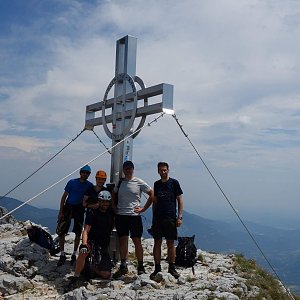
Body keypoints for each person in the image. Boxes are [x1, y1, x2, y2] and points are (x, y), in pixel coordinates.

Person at [112, 160, 154, 278]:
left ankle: (140, 266)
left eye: (130, 168)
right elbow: (114, 194)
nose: (128, 170)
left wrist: (144, 208)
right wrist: (114, 206)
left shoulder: (138, 182)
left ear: (133, 169)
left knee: (137, 241)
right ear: (124, 170)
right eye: (126, 168)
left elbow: (151, 193)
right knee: (123, 241)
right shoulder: (120, 182)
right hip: (121, 215)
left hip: (134, 216)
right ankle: (123, 265)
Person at [69, 190, 114, 288]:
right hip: (92, 242)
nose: (105, 204)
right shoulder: (93, 213)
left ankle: (91, 267)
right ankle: (76, 277)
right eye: (102, 201)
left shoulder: (111, 213)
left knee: (106, 275)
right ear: (99, 201)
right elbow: (85, 231)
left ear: (109, 203)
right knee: (83, 251)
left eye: (107, 202)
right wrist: (84, 243)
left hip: (103, 247)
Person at [150, 162, 183, 280]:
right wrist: (153, 218)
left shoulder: (174, 183)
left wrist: (179, 217)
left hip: (170, 217)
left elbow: (180, 200)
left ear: (168, 170)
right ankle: (157, 268)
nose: (163, 172)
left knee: (170, 243)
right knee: (157, 242)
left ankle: (172, 267)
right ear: (158, 171)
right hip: (158, 218)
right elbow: (155, 201)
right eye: (161, 170)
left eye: (165, 170)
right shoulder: (156, 184)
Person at [56, 165, 93, 266]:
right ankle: (62, 254)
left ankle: (74, 253)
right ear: (80, 173)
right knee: (62, 230)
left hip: (80, 208)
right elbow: (64, 197)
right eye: (83, 172)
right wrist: (61, 211)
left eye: (87, 173)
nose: (85, 174)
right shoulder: (72, 182)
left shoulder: (89, 185)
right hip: (69, 207)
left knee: (78, 231)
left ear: (89, 174)